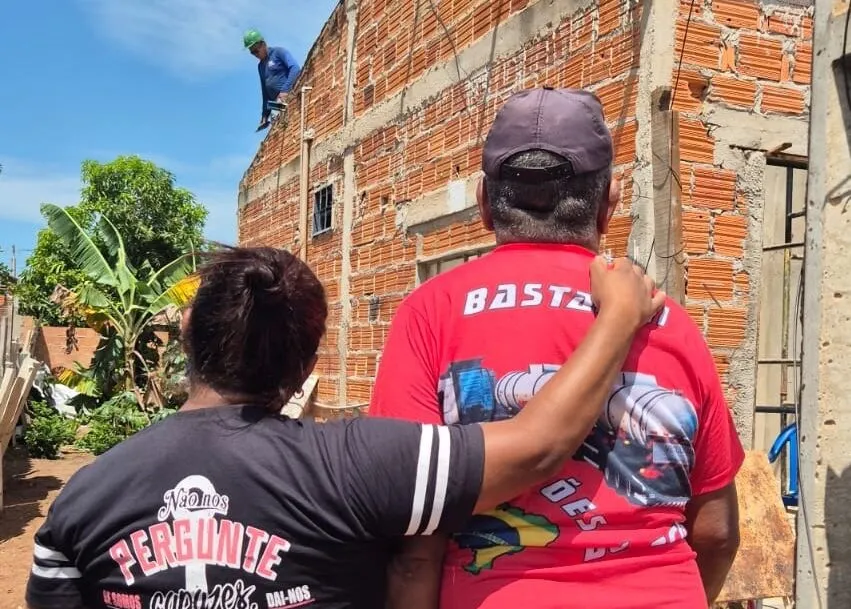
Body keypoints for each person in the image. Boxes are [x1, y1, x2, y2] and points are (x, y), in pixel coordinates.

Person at [25, 246, 664, 609]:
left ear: (187, 334)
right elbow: (537, 447)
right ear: (309, 362)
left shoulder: (84, 499)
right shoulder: (358, 464)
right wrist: (617, 317)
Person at [370, 87, 745, 609]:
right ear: (609, 201)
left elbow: (409, 529)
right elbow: (717, 531)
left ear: (484, 203)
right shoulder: (666, 319)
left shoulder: (430, 312)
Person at [243, 29, 301, 131]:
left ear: (263, 44)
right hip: (276, 104)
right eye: (252, 53)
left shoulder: (278, 52)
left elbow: (295, 68)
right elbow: (265, 92)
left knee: (283, 126)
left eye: (256, 51)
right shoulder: (260, 66)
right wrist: (264, 115)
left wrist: (285, 90)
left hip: (289, 96)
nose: (255, 54)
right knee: (277, 127)